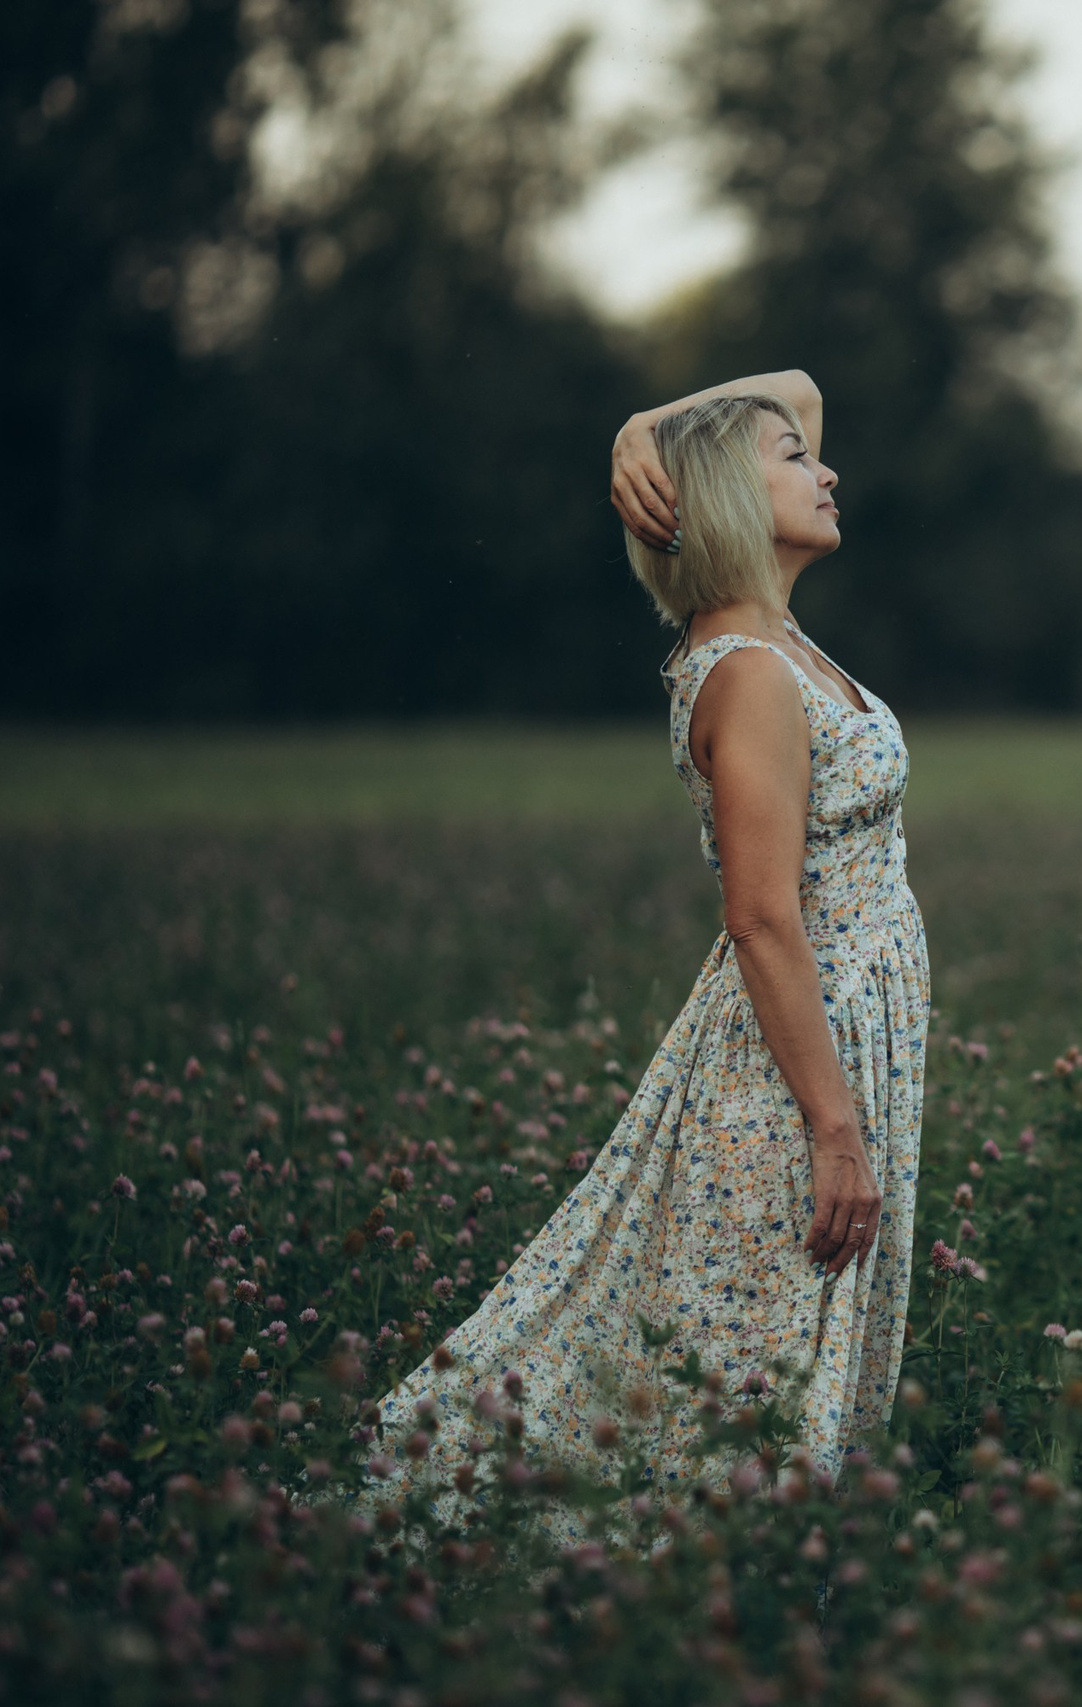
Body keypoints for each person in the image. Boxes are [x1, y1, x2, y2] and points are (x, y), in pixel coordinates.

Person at [357, 371, 928, 1534]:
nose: (823, 468)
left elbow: (800, 388)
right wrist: (833, 1127)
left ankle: (747, 1593)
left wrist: (639, 430)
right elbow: (762, 920)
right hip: (789, 1078)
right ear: (726, 495)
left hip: (844, 1047)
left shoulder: (774, 638)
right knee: (750, 1360)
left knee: (779, 1349)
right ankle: (695, 1599)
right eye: (789, 461)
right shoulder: (752, 673)